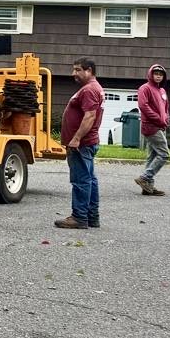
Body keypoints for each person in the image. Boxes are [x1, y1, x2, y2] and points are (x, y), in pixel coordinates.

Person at [56, 57, 103, 229]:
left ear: (89, 70)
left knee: (81, 180)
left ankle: (80, 217)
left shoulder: (89, 90)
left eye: (77, 70)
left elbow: (90, 115)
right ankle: (92, 216)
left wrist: (75, 139)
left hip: (82, 144)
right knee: (90, 179)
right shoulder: (93, 88)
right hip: (87, 142)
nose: (73, 73)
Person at [135, 63, 170, 196]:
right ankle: (145, 177)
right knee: (164, 154)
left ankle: (147, 187)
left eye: (161, 74)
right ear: (150, 74)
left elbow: (165, 108)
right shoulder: (145, 88)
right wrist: (158, 119)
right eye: (156, 74)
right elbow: (143, 106)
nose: (158, 76)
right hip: (150, 126)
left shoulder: (162, 91)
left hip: (160, 126)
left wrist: (166, 119)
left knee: (153, 156)